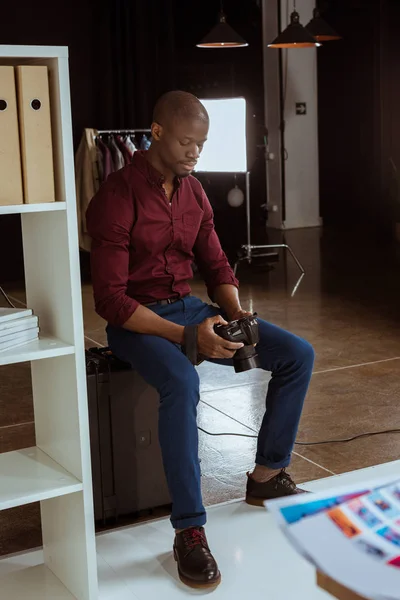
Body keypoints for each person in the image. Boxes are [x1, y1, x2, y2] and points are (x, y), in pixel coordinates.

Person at [86, 91, 314, 590]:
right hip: (136, 322)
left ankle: (266, 476)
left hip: (188, 306)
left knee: (297, 354)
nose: (195, 153)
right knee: (182, 383)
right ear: (158, 132)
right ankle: (189, 529)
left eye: (203, 144)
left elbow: (214, 264)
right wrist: (187, 338)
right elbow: (111, 300)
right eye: (188, 142)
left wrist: (234, 312)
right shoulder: (116, 197)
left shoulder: (193, 192)